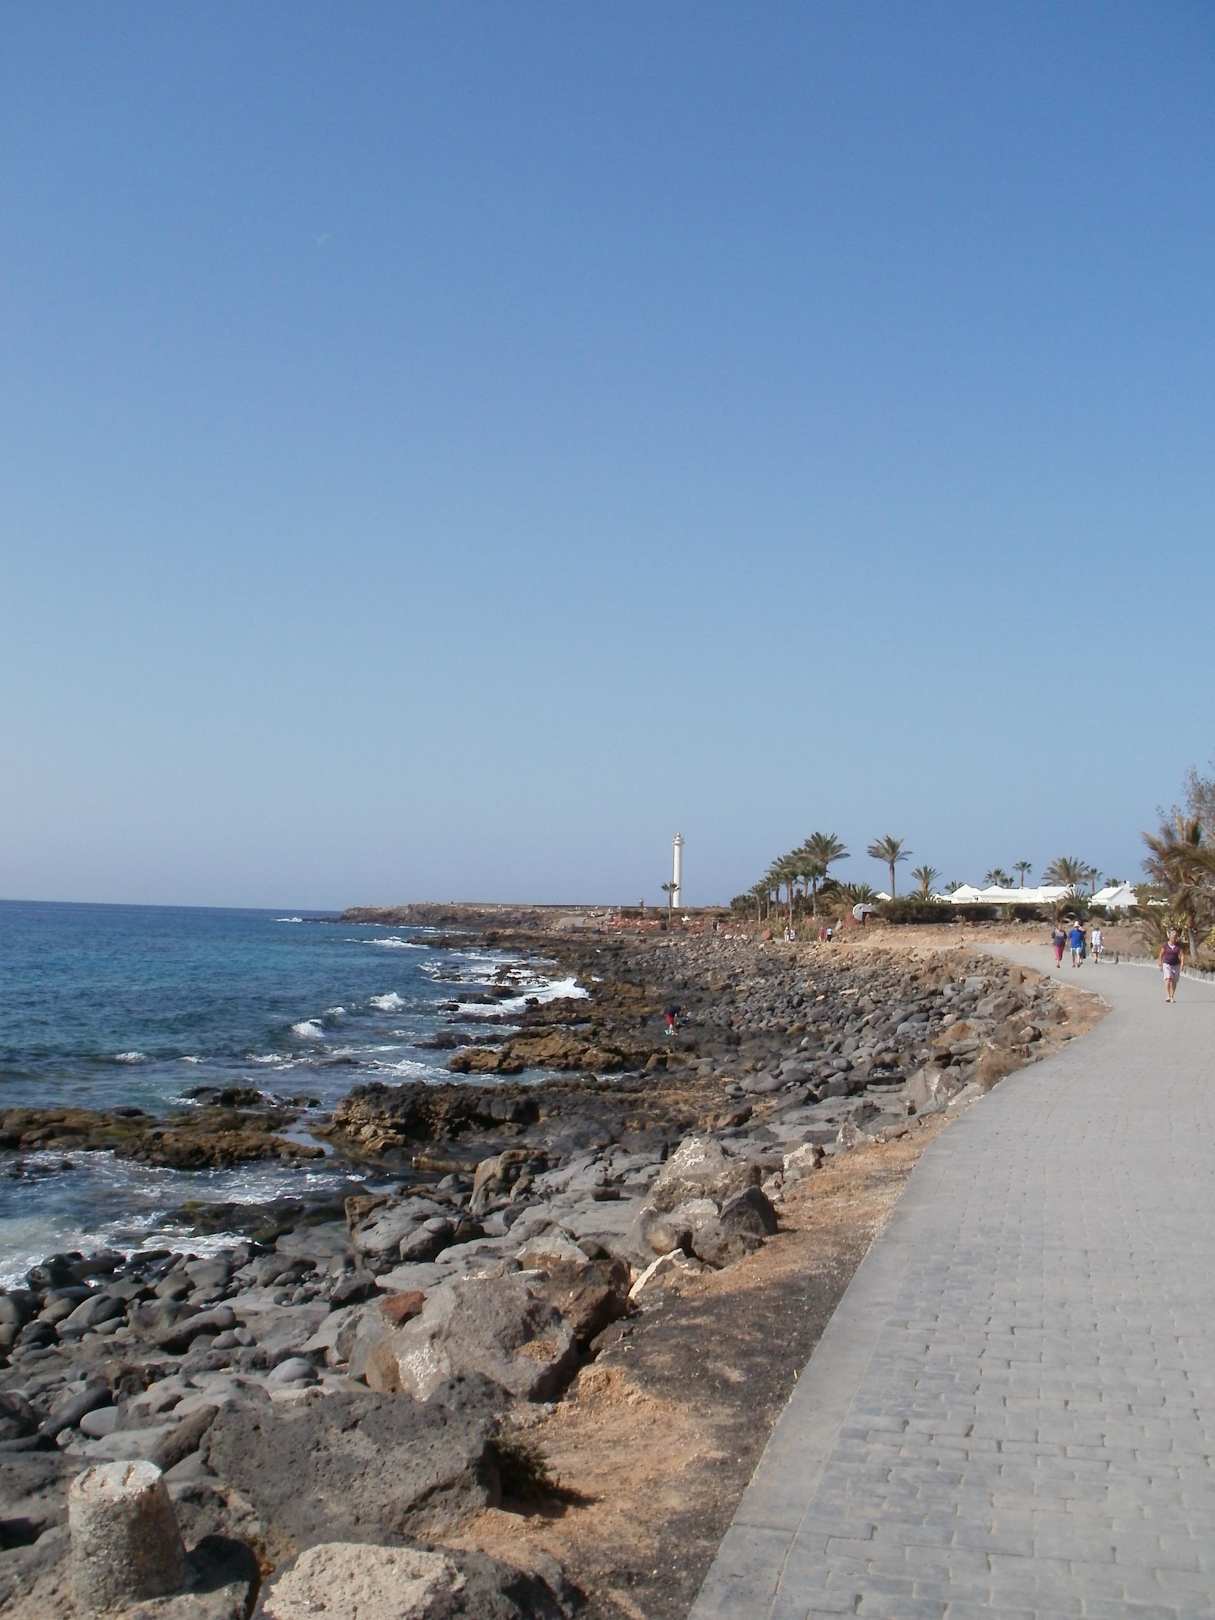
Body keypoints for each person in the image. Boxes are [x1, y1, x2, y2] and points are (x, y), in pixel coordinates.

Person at [1159, 931, 1184, 1003]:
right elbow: (1161, 954)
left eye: (1175, 937)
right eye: (1172, 937)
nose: (1174, 939)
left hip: (1176, 965)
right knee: (1168, 979)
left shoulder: (1178, 946)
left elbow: (1182, 955)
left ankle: (1172, 996)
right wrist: (1160, 963)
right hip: (1167, 964)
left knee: (1174, 981)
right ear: (1169, 937)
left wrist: (1182, 964)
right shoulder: (1165, 945)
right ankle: (1168, 995)